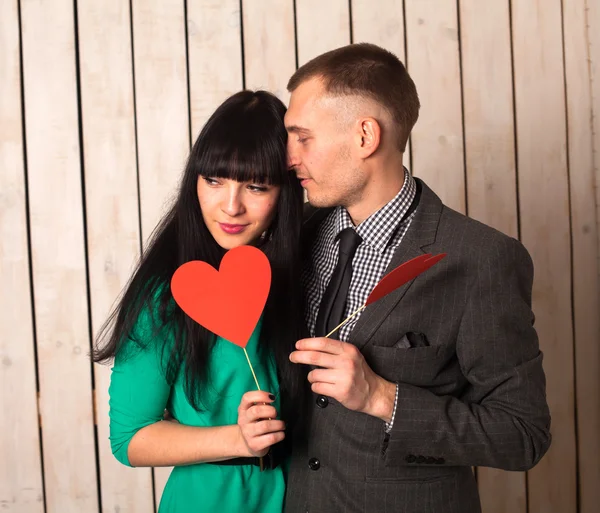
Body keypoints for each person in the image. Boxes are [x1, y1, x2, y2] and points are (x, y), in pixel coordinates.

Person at [284, 43, 551, 513]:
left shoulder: (481, 259)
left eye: (302, 137)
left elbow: (522, 435)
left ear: (365, 136)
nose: (289, 157)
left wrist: (382, 397)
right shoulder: (294, 237)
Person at [93, 90, 306, 513]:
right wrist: (236, 438)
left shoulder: (305, 273)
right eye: (214, 180)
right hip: (213, 501)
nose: (231, 206)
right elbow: (129, 439)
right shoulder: (167, 294)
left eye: (256, 186)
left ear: (285, 192)